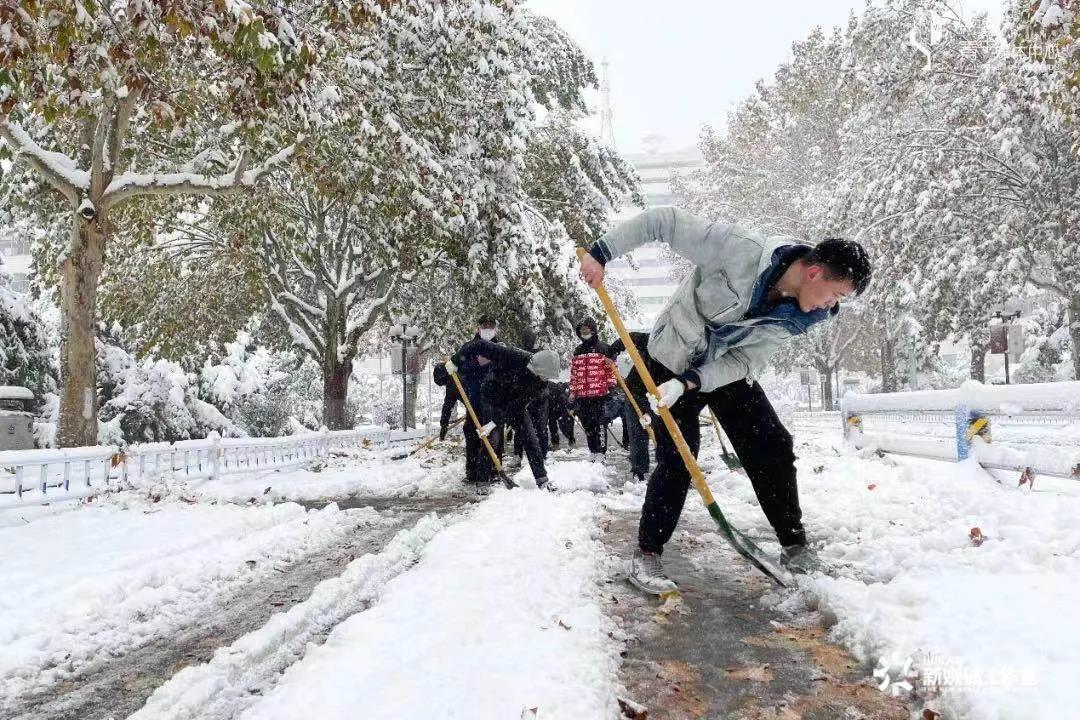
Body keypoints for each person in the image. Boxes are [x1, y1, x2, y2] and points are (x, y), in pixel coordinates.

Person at [579, 206, 872, 592]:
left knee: (772, 443)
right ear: (814, 273)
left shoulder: (798, 316)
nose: (830, 306)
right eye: (835, 295)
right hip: (670, 358)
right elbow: (663, 221)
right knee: (679, 457)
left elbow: (744, 360)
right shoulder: (739, 249)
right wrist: (600, 252)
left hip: (720, 370)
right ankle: (647, 553)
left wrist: (693, 382)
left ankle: (794, 546)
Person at [447, 338, 562, 490]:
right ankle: (482, 482)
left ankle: (542, 480)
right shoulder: (512, 355)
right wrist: (455, 361)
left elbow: (517, 404)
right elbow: (479, 345)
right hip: (491, 396)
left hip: (513, 402)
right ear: (538, 367)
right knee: (492, 440)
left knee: (530, 438)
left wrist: (495, 422)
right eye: (545, 375)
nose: (546, 379)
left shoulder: (540, 384)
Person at [453, 315, 500, 484]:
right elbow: (460, 370)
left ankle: (494, 469)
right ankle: (472, 471)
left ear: (495, 328)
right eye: (484, 325)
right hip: (474, 399)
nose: (487, 328)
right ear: (478, 328)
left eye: (490, 325)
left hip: (495, 400)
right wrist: (476, 363)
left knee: (494, 435)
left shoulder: (500, 348)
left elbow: (507, 370)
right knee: (473, 435)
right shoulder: (469, 348)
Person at [606, 331, 653, 484]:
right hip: (636, 393)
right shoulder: (651, 340)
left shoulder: (687, 350)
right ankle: (639, 471)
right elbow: (629, 338)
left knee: (667, 434)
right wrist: (612, 352)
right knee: (638, 433)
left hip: (662, 395)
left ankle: (677, 469)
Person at [569, 317, 615, 463]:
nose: (584, 331)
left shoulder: (604, 348)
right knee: (587, 424)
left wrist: (611, 387)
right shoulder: (578, 350)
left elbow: (612, 370)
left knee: (600, 423)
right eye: (581, 329)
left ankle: (601, 451)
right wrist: (572, 391)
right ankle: (593, 451)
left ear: (593, 329)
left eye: (586, 328)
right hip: (583, 395)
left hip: (600, 394)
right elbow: (574, 374)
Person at [509, 329, 551, 469]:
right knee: (521, 427)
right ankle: (518, 455)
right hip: (523, 396)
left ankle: (543, 456)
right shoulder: (518, 354)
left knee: (540, 427)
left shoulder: (540, 354)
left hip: (540, 396)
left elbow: (545, 376)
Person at [431, 363, 460, 441]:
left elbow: (447, 405)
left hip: (482, 405)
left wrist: (444, 426)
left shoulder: (453, 381)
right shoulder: (455, 373)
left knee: (470, 429)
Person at [547, 381, 576, 450]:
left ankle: (570, 440)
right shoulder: (548, 384)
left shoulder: (552, 385)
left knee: (562, 425)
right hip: (552, 407)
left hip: (560, 406)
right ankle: (556, 443)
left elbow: (563, 392)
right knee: (553, 425)